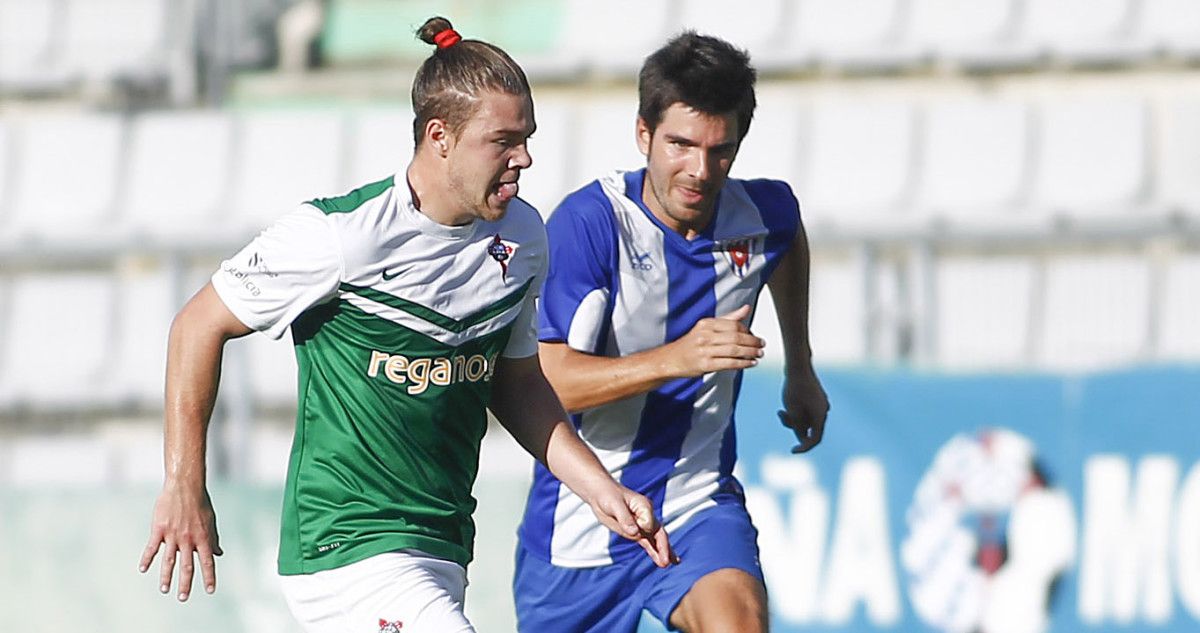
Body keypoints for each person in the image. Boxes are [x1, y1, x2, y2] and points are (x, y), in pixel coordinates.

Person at [138, 16, 673, 633]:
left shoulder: (522, 237)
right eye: (502, 140)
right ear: (439, 136)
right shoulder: (340, 237)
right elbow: (196, 325)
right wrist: (184, 484)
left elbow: (518, 384)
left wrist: (600, 489)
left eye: (527, 138)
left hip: (440, 543)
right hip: (344, 543)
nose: (523, 158)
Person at [514, 31, 830, 633]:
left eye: (720, 151)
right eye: (680, 145)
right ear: (644, 135)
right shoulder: (590, 224)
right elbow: (546, 384)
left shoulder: (762, 215)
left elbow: (788, 240)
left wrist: (801, 367)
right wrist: (674, 359)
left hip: (695, 501)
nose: (699, 171)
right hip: (579, 523)